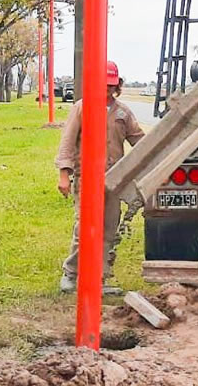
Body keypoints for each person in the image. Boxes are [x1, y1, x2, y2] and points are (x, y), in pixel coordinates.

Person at [55, 61, 145, 293]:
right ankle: (71, 274)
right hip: (87, 179)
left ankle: (100, 279)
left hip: (114, 181)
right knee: (85, 227)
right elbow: (67, 143)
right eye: (102, 84)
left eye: (111, 85)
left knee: (108, 229)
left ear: (117, 86)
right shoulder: (81, 108)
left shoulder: (123, 113)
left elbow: (140, 142)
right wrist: (64, 175)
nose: (106, 89)